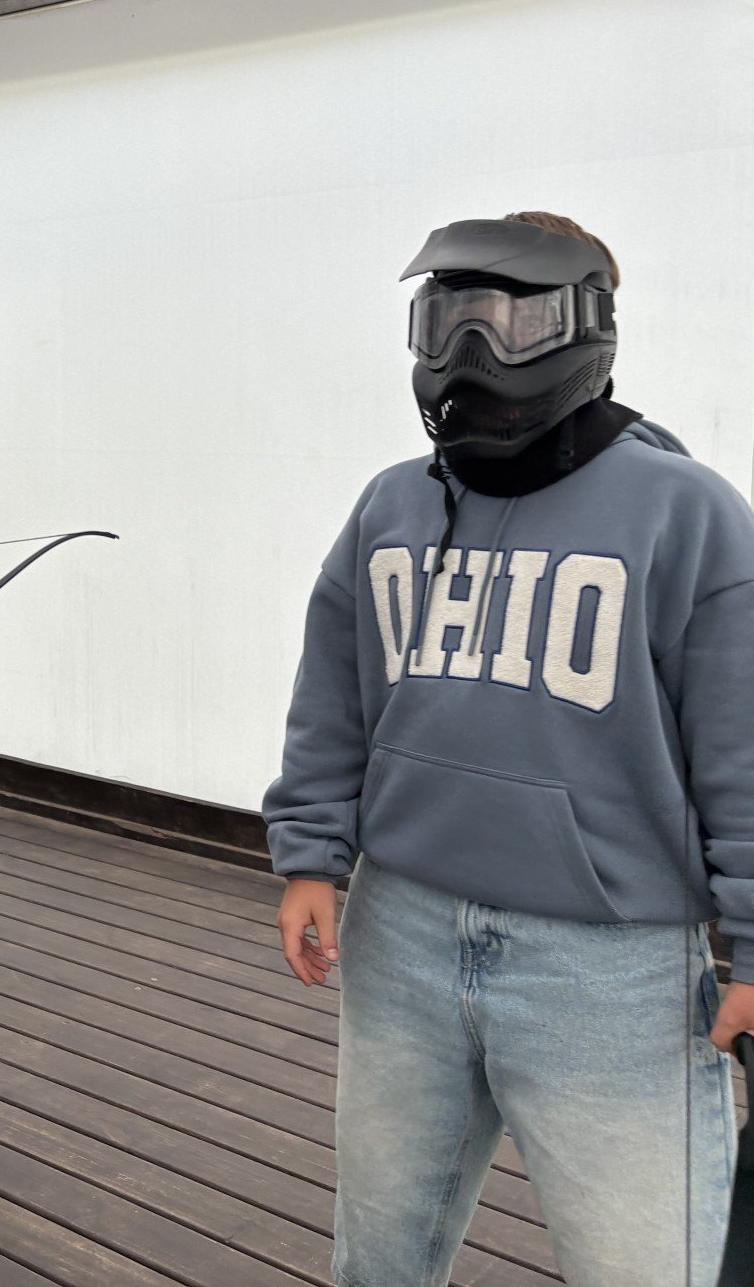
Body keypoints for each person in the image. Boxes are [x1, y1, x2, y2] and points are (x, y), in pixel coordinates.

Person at [263, 213, 754, 1285]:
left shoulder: (688, 515)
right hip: (398, 934)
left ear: (587, 327)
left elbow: (742, 749)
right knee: (378, 1258)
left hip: (609, 968)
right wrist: (308, 857)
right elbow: (332, 695)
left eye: (510, 320)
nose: (471, 352)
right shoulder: (391, 505)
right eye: (446, 321)